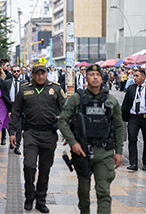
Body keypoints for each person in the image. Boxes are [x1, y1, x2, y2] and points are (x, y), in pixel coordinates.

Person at [58, 64, 123, 214]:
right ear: (85, 77)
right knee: (83, 192)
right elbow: (62, 121)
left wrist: (118, 151)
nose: (95, 77)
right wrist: (73, 143)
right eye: (91, 74)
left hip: (104, 153)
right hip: (82, 152)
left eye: (98, 75)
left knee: (103, 192)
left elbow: (119, 127)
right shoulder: (77, 98)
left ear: (102, 78)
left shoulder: (111, 100)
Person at [9, 64, 65, 213]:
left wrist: (65, 130)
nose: (40, 76)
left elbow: (66, 110)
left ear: (46, 74)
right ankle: (29, 196)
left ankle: (41, 200)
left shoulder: (56, 89)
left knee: (45, 169)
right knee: (29, 165)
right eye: (37, 74)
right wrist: (12, 131)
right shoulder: (24, 89)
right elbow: (16, 111)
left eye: (43, 73)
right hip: (31, 133)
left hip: (49, 134)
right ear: (32, 75)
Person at [121, 69, 146, 171]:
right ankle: (133, 163)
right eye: (134, 76)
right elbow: (125, 104)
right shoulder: (131, 88)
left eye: (137, 76)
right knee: (132, 138)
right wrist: (122, 116)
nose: (134, 78)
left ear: (143, 77)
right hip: (133, 117)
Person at [5, 65, 28, 155]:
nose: (16, 73)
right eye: (14, 71)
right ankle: (12, 140)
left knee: (19, 128)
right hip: (10, 106)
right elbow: (5, 95)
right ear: (11, 72)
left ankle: (17, 145)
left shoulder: (25, 82)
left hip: (20, 108)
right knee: (9, 126)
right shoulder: (7, 82)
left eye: (18, 71)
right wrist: (9, 108)